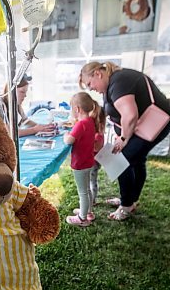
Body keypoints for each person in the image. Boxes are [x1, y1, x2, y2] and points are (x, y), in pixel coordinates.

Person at [79, 61, 170, 220]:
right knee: (137, 160)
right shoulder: (114, 82)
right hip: (146, 126)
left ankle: (126, 205)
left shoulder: (119, 81)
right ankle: (130, 201)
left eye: (89, 83)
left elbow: (130, 115)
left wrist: (123, 138)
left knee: (119, 160)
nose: (91, 88)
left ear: (98, 74)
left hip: (156, 123)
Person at [63, 92, 103, 227]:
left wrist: (66, 135)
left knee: (83, 191)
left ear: (77, 109)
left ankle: (82, 218)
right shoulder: (90, 121)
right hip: (88, 161)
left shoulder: (81, 125)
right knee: (87, 189)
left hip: (80, 164)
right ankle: (88, 212)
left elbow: (69, 141)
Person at [90, 102, 106, 206]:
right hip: (91, 161)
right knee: (90, 181)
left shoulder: (98, 135)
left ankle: (93, 200)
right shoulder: (97, 133)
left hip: (94, 162)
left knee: (92, 182)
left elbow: (97, 147)